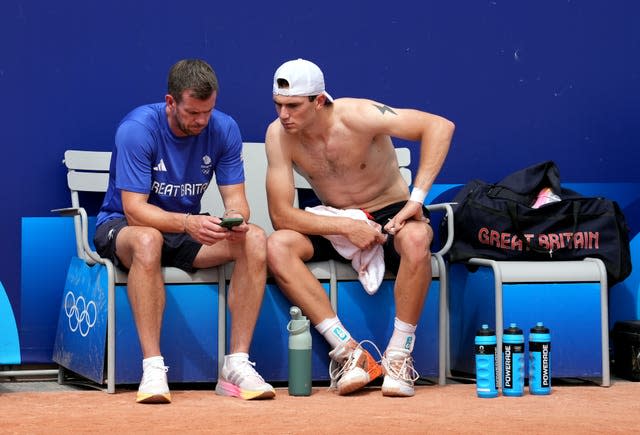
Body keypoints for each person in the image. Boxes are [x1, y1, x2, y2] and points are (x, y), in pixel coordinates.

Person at [265, 58, 454, 397]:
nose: (283, 115)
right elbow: (281, 216)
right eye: (278, 105)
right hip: (337, 220)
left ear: (319, 101)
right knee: (278, 245)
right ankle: (349, 352)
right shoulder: (279, 136)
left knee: (415, 238)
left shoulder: (359, 115)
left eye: (293, 106)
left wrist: (417, 198)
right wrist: (346, 228)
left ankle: (398, 355)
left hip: (390, 211)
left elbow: (439, 126)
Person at [94, 59, 275, 404]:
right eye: (193, 113)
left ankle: (236, 365)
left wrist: (232, 220)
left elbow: (237, 199)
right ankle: (152, 367)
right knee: (149, 239)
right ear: (170, 102)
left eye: (207, 112)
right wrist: (189, 223)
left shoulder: (224, 130)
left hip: (181, 228)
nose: (201, 121)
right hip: (124, 226)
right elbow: (134, 210)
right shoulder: (137, 128)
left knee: (253, 237)